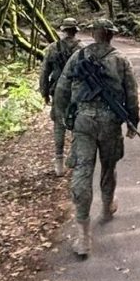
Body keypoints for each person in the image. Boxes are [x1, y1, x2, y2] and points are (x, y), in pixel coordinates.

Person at [52, 18, 140, 257]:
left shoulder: (77, 58)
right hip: (110, 123)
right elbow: (132, 95)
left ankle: (83, 236)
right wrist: (133, 122)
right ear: (110, 35)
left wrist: (63, 118)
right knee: (109, 167)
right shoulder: (121, 60)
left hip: (83, 122)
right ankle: (107, 206)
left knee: (82, 171)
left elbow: (61, 90)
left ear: (93, 34)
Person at [39, 18, 83, 176]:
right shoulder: (83, 49)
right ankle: (74, 156)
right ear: (76, 30)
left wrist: (44, 92)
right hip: (78, 91)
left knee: (59, 125)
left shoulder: (52, 48)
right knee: (78, 124)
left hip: (58, 90)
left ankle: (59, 163)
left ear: (63, 30)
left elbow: (44, 71)